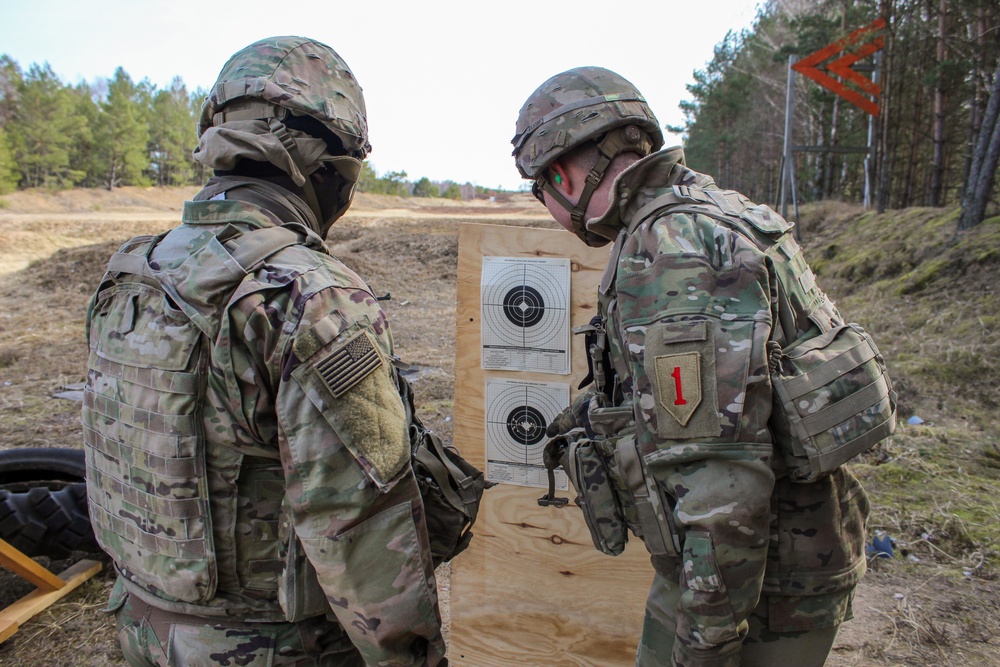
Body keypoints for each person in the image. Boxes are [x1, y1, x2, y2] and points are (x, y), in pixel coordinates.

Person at [83, 36, 446, 667]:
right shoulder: (307, 293)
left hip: (143, 624)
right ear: (328, 164)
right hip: (267, 644)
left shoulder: (133, 272)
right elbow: (361, 516)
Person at [514, 67, 873, 667]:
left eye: (538, 188)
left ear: (562, 173)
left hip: (752, 582)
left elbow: (721, 484)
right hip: (761, 562)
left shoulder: (669, 251)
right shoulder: (712, 209)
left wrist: (704, 645)